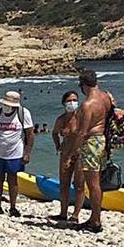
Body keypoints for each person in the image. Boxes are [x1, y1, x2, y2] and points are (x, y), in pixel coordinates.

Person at [59, 69, 112, 233]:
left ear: (82, 86)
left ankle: (95, 221)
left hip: (91, 142)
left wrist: (70, 154)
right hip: (103, 141)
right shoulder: (106, 97)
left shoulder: (88, 104)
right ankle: (94, 217)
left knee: (93, 183)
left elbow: (82, 132)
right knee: (96, 182)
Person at [0, 91, 34, 217]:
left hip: (15, 153)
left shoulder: (24, 114)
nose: (6, 107)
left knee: (13, 180)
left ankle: (13, 207)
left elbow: (30, 134)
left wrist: (27, 153)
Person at [49, 91, 84, 223]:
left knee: (80, 185)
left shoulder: (82, 117)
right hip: (66, 154)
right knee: (64, 185)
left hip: (80, 154)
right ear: (64, 103)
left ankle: (75, 215)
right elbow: (54, 133)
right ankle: (63, 213)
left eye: (75, 100)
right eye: (69, 100)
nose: (72, 103)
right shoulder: (61, 119)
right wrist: (57, 145)